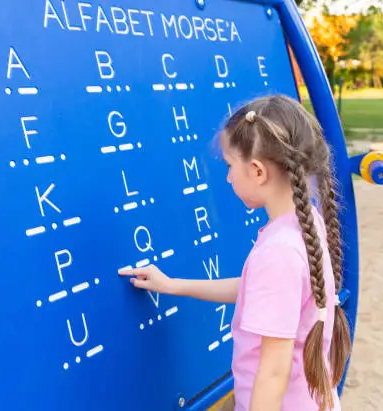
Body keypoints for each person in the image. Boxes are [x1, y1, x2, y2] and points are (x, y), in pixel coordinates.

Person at [119, 95, 351, 411]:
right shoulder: (305, 224)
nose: (228, 177)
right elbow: (257, 291)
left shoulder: (279, 251)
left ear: (257, 171)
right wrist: (173, 285)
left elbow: (273, 372)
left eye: (230, 166)